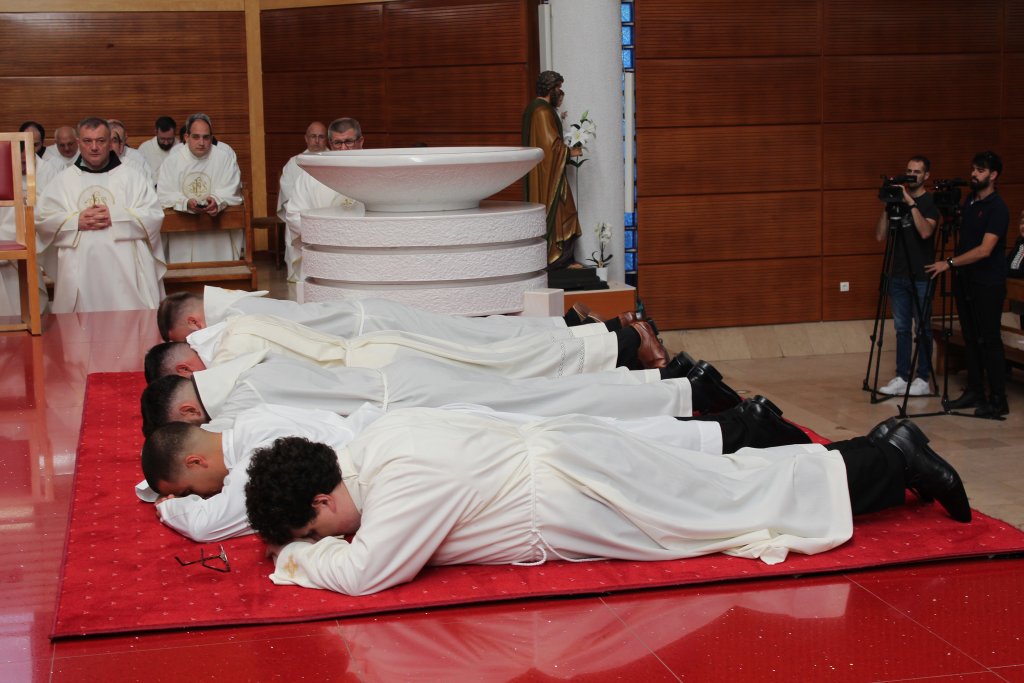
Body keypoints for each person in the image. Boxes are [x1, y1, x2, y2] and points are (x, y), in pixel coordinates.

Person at [237, 411, 970, 596]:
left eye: (316, 526)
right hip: (575, 465)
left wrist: (297, 558)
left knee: (737, 505)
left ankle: (892, 457)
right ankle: (876, 452)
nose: (325, 538)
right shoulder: (375, 443)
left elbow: (367, 573)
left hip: (579, 491)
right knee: (727, 490)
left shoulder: (398, 483)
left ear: (324, 496)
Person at [141, 399, 810, 542]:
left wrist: (168, 506)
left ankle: (738, 433)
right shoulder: (249, 422)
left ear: (197, 460)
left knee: (622, 455)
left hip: (419, 448)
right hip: (426, 431)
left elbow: (212, 525)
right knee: (609, 439)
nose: (198, 493)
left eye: (188, 485)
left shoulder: (259, 460)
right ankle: (732, 431)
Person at [139, 349, 769, 435]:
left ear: (191, 409)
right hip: (405, 381)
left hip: (409, 402)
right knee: (545, 394)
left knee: (553, 404)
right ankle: (670, 385)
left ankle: (680, 395)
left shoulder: (235, 402)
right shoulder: (238, 370)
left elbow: (235, 446)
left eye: (189, 426)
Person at [158, 286, 651, 348]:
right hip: (372, 320)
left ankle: (588, 332)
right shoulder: (234, 302)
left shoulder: (232, 319)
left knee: (481, 339)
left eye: (186, 337)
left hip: (375, 329)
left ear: (195, 324)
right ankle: (578, 327)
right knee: (479, 334)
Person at [35, 117, 165, 313]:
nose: (94, 147)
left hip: (126, 271)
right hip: (79, 270)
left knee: (127, 322)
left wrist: (116, 216)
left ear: (110, 142)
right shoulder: (63, 181)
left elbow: (153, 215)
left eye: (101, 141)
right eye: (88, 141)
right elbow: (43, 219)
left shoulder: (132, 178)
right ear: (79, 143)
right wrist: (75, 221)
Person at [925, 151, 1010, 418]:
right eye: (973, 168)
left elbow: (985, 250)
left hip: (988, 283)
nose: (974, 174)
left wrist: (949, 263)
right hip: (967, 281)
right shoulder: (970, 201)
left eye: (980, 170)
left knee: (989, 340)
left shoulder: (998, 208)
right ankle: (975, 390)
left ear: (993, 175)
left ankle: (998, 399)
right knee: (970, 338)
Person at [875, 156, 940, 396]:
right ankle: (902, 376)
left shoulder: (930, 202)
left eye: (917, 171)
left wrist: (910, 203)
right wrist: (888, 205)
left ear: (926, 175)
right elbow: (880, 235)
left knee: (922, 328)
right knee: (901, 328)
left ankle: (922, 378)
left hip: (922, 274)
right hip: (898, 274)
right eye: (909, 170)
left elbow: (925, 232)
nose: (911, 175)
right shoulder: (898, 202)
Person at [282, 118, 364, 283]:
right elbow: (294, 214)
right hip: (324, 251)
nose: (343, 149)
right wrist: (325, 235)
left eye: (348, 142)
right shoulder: (310, 176)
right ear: (330, 144)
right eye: (337, 143)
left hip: (363, 253)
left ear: (360, 142)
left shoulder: (374, 172)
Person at [157, 112, 243, 263]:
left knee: (217, 272)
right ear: (186, 137)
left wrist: (216, 201)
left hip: (217, 235)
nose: (201, 142)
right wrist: (185, 202)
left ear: (211, 137)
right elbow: (164, 194)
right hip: (183, 234)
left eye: (206, 137)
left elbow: (232, 188)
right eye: (196, 137)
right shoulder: (172, 161)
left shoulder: (224, 158)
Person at [522, 70, 583, 269]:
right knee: (565, 213)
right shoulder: (542, 111)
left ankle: (563, 260)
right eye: (558, 88)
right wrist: (570, 152)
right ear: (550, 89)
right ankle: (557, 260)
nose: (561, 92)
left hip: (551, 173)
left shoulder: (540, 109)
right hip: (549, 177)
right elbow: (550, 147)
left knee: (567, 213)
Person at [276, 122, 329, 282]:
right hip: (301, 216)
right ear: (306, 138)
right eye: (313, 136)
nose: (317, 141)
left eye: (321, 137)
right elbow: (288, 194)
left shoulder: (334, 161)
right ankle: (299, 276)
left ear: (327, 139)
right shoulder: (294, 163)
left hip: (328, 216)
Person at [107, 119, 154, 184]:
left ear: (125, 139)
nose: (118, 145)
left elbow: (147, 185)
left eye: (120, 141)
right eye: (110, 141)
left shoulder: (136, 158)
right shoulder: (96, 158)